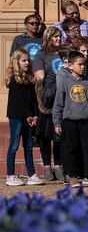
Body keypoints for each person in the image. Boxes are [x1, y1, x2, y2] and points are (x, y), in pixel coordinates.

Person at [53, 52, 88, 188]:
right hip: (69, 121)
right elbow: (58, 104)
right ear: (70, 66)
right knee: (70, 149)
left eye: (84, 64)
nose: (83, 67)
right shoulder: (64, 82)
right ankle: (72, 176)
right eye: (80, 64)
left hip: (86, 121)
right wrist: (57, 121)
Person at [5, 49, 43, 186]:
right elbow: (20, 100)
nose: (27, 63)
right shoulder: (15, 79)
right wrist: (28, 115)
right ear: (16, 62)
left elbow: (33, 100)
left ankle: (31, 174)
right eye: (24, 60)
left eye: (28, 60)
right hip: (17, 116)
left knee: (28, 146)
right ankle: (10, 175)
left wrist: (35, 115)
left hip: (29, 117)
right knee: (14, 145)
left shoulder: (30, 78)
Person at [34, 27, 64, 182]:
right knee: (45, 135)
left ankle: (58, 165)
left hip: (63, 98)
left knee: (58, 134)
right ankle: (47, 166)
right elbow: (40, 77)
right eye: (55, 37)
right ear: (48, 38)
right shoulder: (41, 55)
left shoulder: (64, 53)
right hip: (47, 100)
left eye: (59, 36)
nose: (58, 39)